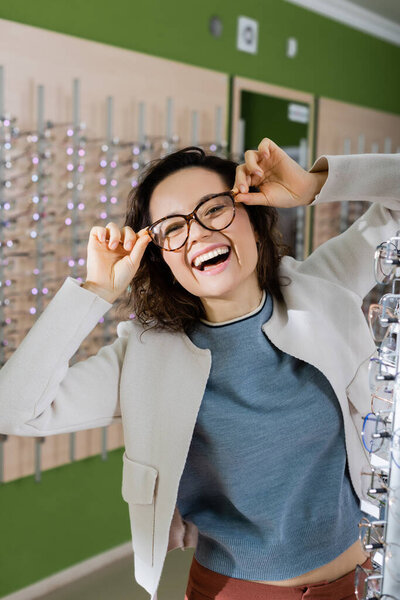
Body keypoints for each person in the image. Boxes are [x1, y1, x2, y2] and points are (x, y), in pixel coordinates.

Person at [0, 138, 399, 600]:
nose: (198, 234)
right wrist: (94, 291)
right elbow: (14, 409)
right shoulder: (146, 358)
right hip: (234, 592)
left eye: (213, 209)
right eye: (172, 228)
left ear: (251, 217)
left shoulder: (322, 289)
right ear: (163, 259)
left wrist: (313, 185)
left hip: (358, 582)